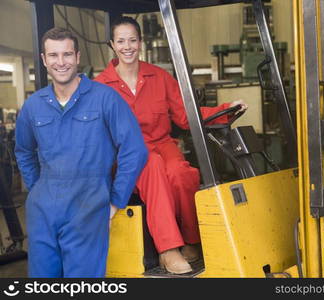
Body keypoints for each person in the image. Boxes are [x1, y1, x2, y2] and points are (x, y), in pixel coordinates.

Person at [95, 16, 247, 274]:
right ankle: (168, 249)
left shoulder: (159, 77)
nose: (127, 46)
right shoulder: (99, 86)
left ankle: (191, 241)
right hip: (126, 155)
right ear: (112, 44)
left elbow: (186, 116)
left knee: (182, 173)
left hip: (162, 144)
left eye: (132, 39)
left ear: (140, 42)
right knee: (152, 164)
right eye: (121, 41)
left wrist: (224, 110)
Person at [15, 27, 148, 278]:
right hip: (43, 210)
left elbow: (135, 150)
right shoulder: (33, 106)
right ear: (44, 60)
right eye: (53, 56)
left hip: (88, 206)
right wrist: (38, 189)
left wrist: (115, 202)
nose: (60, 62)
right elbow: (23, 151)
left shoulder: (105, 98)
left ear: (77, 57)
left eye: (67, 54)